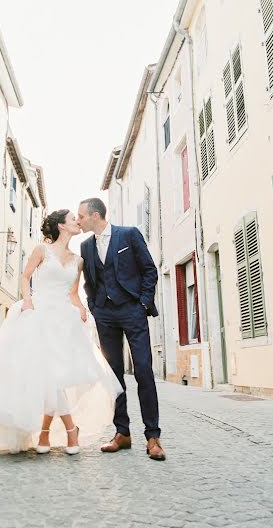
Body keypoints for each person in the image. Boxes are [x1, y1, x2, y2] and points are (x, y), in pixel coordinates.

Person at [0, 209, 122, 455]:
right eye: (72, 219)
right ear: (61, 226)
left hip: (64, 319)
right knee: (48, 374)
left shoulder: (78, 260)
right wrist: (28, 302)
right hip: (40, 314)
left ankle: (45, 433)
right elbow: (25, 276)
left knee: (53, 376)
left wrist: (82, 308)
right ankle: (69, 430)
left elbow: (73, 292)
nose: (77, 221)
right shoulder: (42, 250)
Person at [77, 197, 166, 461]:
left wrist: (142, 303)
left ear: (95, 215)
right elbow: (89, 281)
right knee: (113, 376)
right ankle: (122, 432)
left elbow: (149, 270)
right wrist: (95, 307)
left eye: (81, 215)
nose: (78, 220)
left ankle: (153, 436)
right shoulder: (85, 246)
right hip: (105, 314)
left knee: (143, 370)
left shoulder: (129, 234)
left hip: (132, 311)